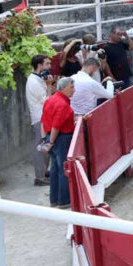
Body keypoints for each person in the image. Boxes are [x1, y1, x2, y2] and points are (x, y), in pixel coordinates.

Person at [41, 77, 76, 208]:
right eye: (71, 87)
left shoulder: (50, 100)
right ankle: (64, 201)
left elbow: (44, 121)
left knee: (55, 169)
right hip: (60, 138)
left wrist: (45, 140)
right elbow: (56, 125)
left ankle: (54, 199)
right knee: (63, 169)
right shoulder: (62, 104)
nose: (74, 90)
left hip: (51, 136)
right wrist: (50, 142)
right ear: (63, 88)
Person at [25, 54, 52, 186]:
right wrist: (49, 85)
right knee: (40, 148)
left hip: (43, 117)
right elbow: (47, 101)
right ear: (40, 66)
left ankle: (43, 172)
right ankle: (40, 178)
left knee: (45, 146)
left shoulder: (38, 79)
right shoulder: (33, 81)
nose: (50, 66)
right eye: (47, 64)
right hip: (39, 119)